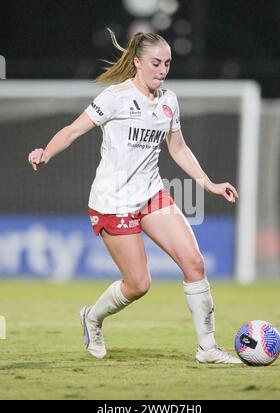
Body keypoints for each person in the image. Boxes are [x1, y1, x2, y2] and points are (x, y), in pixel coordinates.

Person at [28, 29, 241, 364]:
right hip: (113, 201)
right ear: (138, 62)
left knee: (195, 263)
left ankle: (208, 348)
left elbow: (178, 147)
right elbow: (72, 130)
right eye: (156, 63)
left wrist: (209, 183)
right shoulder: (115, 97)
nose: (162, 70)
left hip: (151, 194)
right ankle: (93, 317)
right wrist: (46, 152)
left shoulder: (169, 101)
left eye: (167, 63)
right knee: (139, 284)